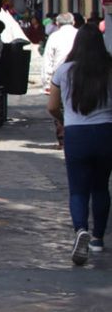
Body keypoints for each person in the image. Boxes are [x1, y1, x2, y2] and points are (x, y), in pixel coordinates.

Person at [47, 23, 112, 265]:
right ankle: (97, 239)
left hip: (76, 134)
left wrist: (64, 121)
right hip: (106, 133)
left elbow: (52, 106)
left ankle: (80, 230)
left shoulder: (64, 71)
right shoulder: (109, 69)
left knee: (78, 189)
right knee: (101, 187)